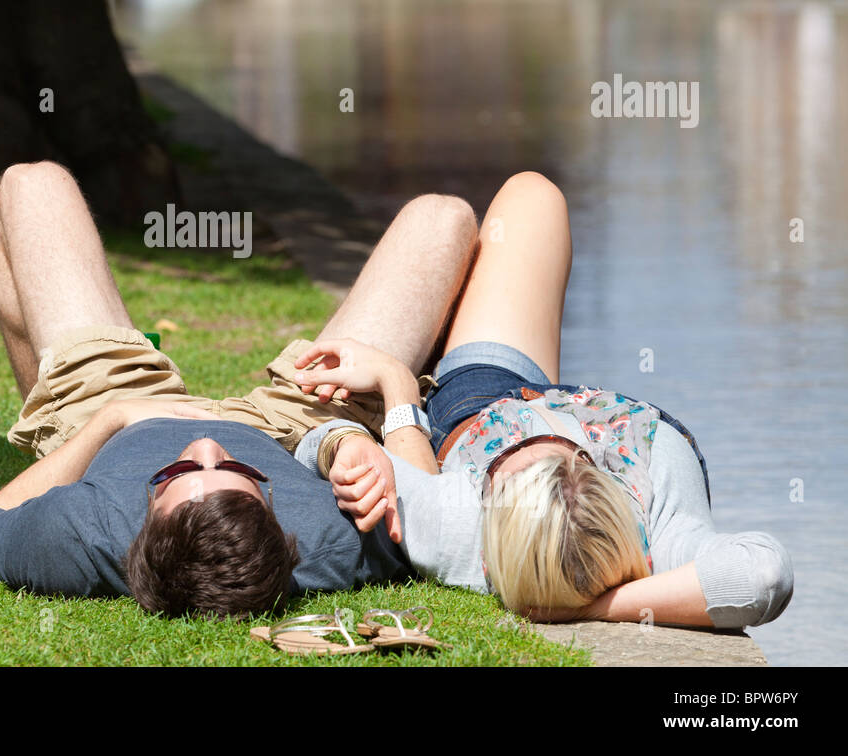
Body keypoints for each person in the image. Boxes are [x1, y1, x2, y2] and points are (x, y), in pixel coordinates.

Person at [0, 161, 479, 617]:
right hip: (295, 426)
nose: (207, 447)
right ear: (277, 515)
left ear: (141, 523)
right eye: (237, 472)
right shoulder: (328, 542)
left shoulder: (80, 532)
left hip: (118, 416)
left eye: (177, 472)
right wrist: (383, 403)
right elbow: (428, 511)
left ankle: (47, 429)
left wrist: (106, 423)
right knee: (444, 217)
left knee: (30, 184)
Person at [294, 172, 794, 630]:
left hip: (479, 398)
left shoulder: (460, 529)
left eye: (512, 468)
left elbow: (316, 440)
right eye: (574, 461)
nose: (538, 442)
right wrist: (607, 604)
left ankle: (437, 346)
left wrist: (389, 385)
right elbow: (763, 574)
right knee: (535, 195)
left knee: (445, 217)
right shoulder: (663, 535)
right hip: (534, 389)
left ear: (491, 516)